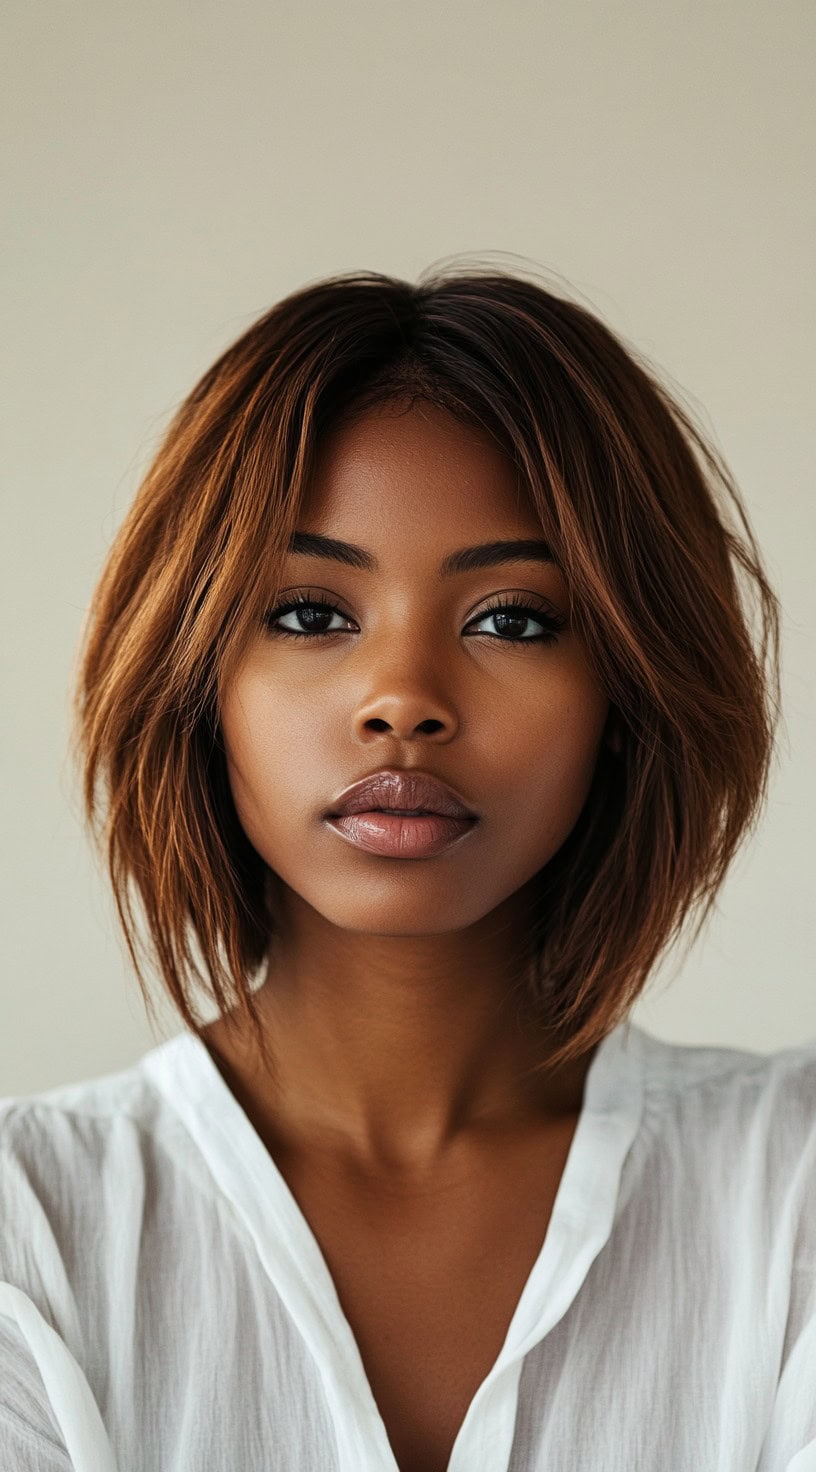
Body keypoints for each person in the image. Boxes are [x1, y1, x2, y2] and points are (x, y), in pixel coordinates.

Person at [1, 265, 813, 1472]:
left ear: (630, 689)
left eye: (514, 619)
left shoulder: (791, 1190)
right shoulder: (33, 1234)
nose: (403, 702)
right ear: (195, 675)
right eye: (311, 612)